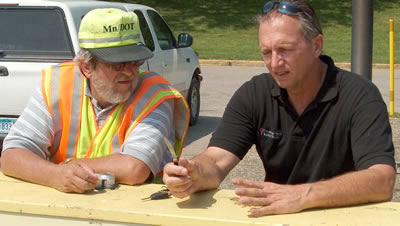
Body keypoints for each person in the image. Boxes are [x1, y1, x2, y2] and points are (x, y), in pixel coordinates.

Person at [163, 0, 396, 216]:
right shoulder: (255, 94)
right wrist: (192, 173)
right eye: (266, 52)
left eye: (285, 50)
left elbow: (382, 179)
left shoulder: (359, 95)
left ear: (317, 46)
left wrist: (304, 195)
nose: (274, 63)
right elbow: (215, 161)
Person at [1, 8, 189, 193]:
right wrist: (53, 175)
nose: (130, 72)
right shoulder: (58, 84)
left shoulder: (155, 94)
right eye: (118, 64)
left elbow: (134, 168)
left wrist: (67, 168)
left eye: (135, 61)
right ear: (86, 67)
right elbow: (11, 156)